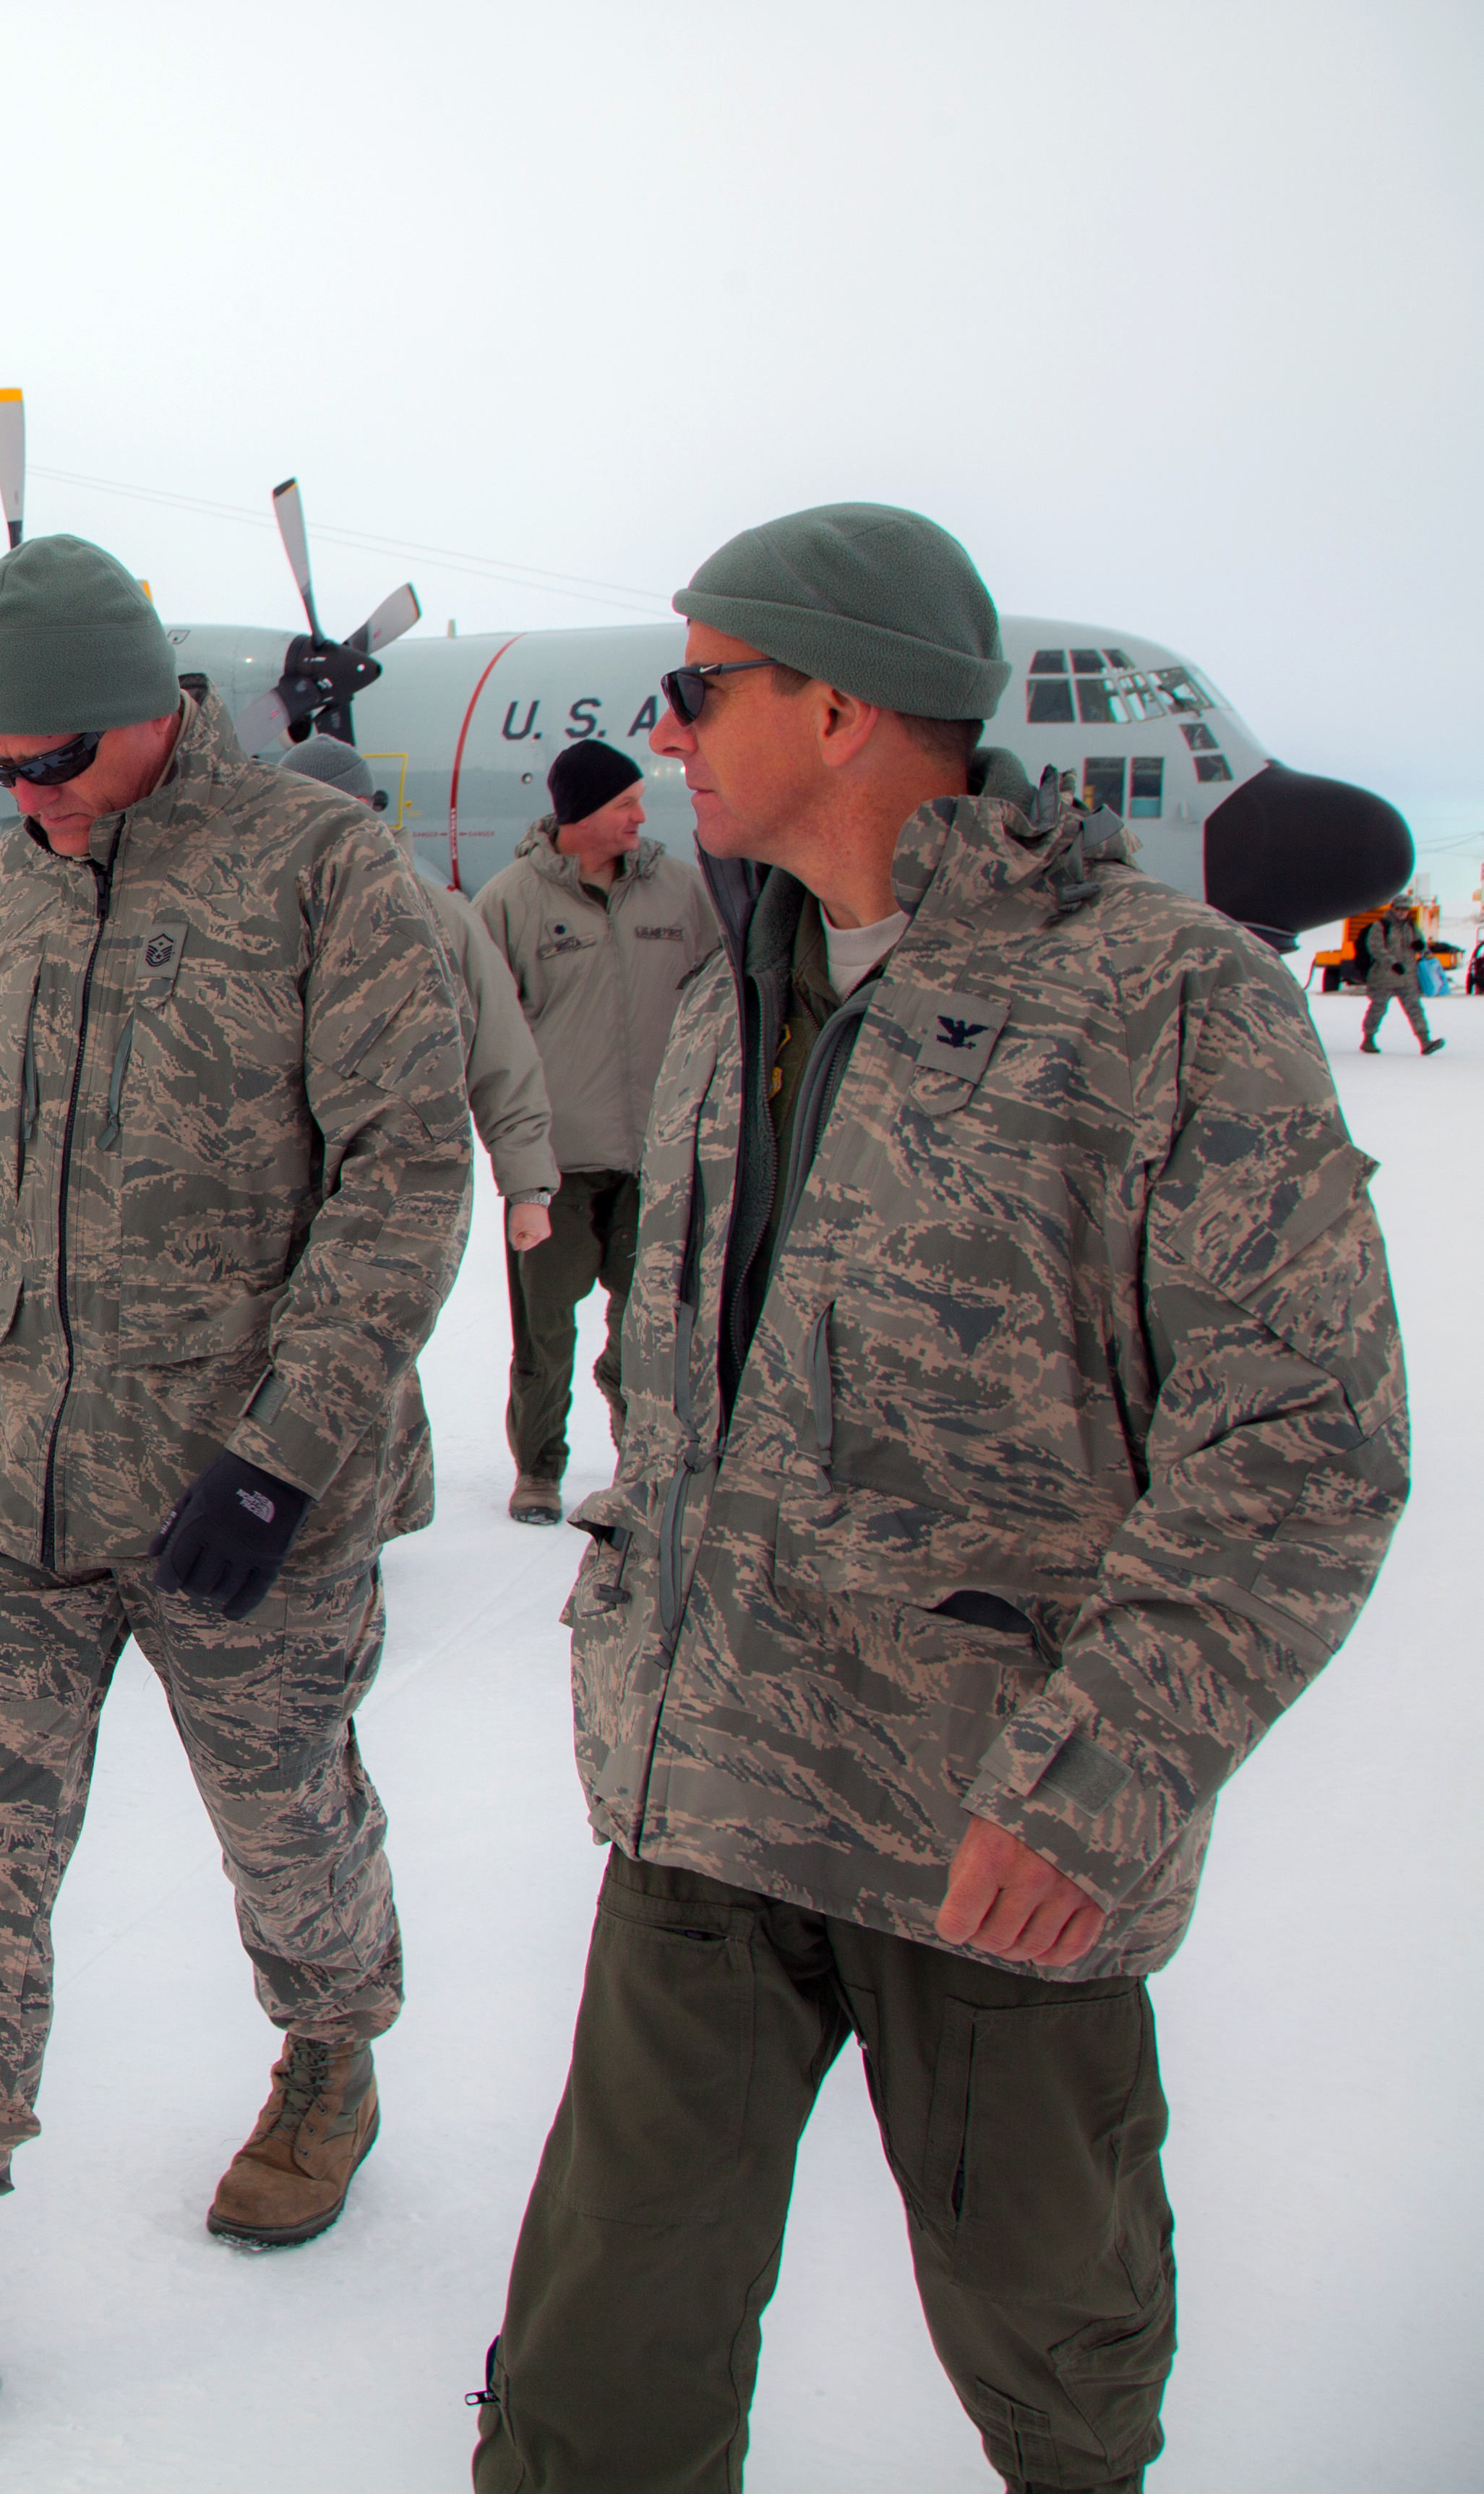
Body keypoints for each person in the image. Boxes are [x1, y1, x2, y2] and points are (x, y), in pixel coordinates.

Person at [470, 505, 1409, 2493]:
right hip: (708, 1796)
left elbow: (1301, 1442)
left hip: (989, 1835)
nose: (665, 728)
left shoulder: (1162, 1005)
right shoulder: (737, 990)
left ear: (838, 704)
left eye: (698, 684)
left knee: (1057, 2382)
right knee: (588, 2389)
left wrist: (1100, 1773)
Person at [0, 538, 473, 2448]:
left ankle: (327, 2050)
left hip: (237, 1504)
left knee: (286, 1821)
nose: (25, 797)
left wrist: (285, 1452)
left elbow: (402, 1176)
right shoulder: (3, 888)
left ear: (151, 709)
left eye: (54, 761)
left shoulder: (317, 872)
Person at [472, 739, 721, 1526]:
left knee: (648, 1322)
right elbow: (478, 1029)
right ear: (578, 813)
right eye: (623, 805)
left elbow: (721, 1004)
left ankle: (638, 1454)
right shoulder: (508, 903)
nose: (641, 818)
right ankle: (538, 1469)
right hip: (556, 1164)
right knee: (544, 1331)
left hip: (660, 1157)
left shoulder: (680, 894)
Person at [282, 734, 558, 1254]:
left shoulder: (435, 915)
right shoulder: (252, 917)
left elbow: (501, 1050)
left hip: (394, 1207)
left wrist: (527, 1183)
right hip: (266, 1204)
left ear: (367, 809)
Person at [1357, 904, 1442, 1054]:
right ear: (1393, 909)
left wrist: (1420, 946)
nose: (1403, 913)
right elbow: (1376, 948)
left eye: (1405, 910)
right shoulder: (1381, 926)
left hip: (1407, 977)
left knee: (1415, 1008)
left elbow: (1421, 946)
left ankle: (1425, 1041)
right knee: (1378, 1008)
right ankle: (1368, 1039)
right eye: (1399, 910)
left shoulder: (1411, 926)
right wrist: (1392, 963)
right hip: (1384, 976)